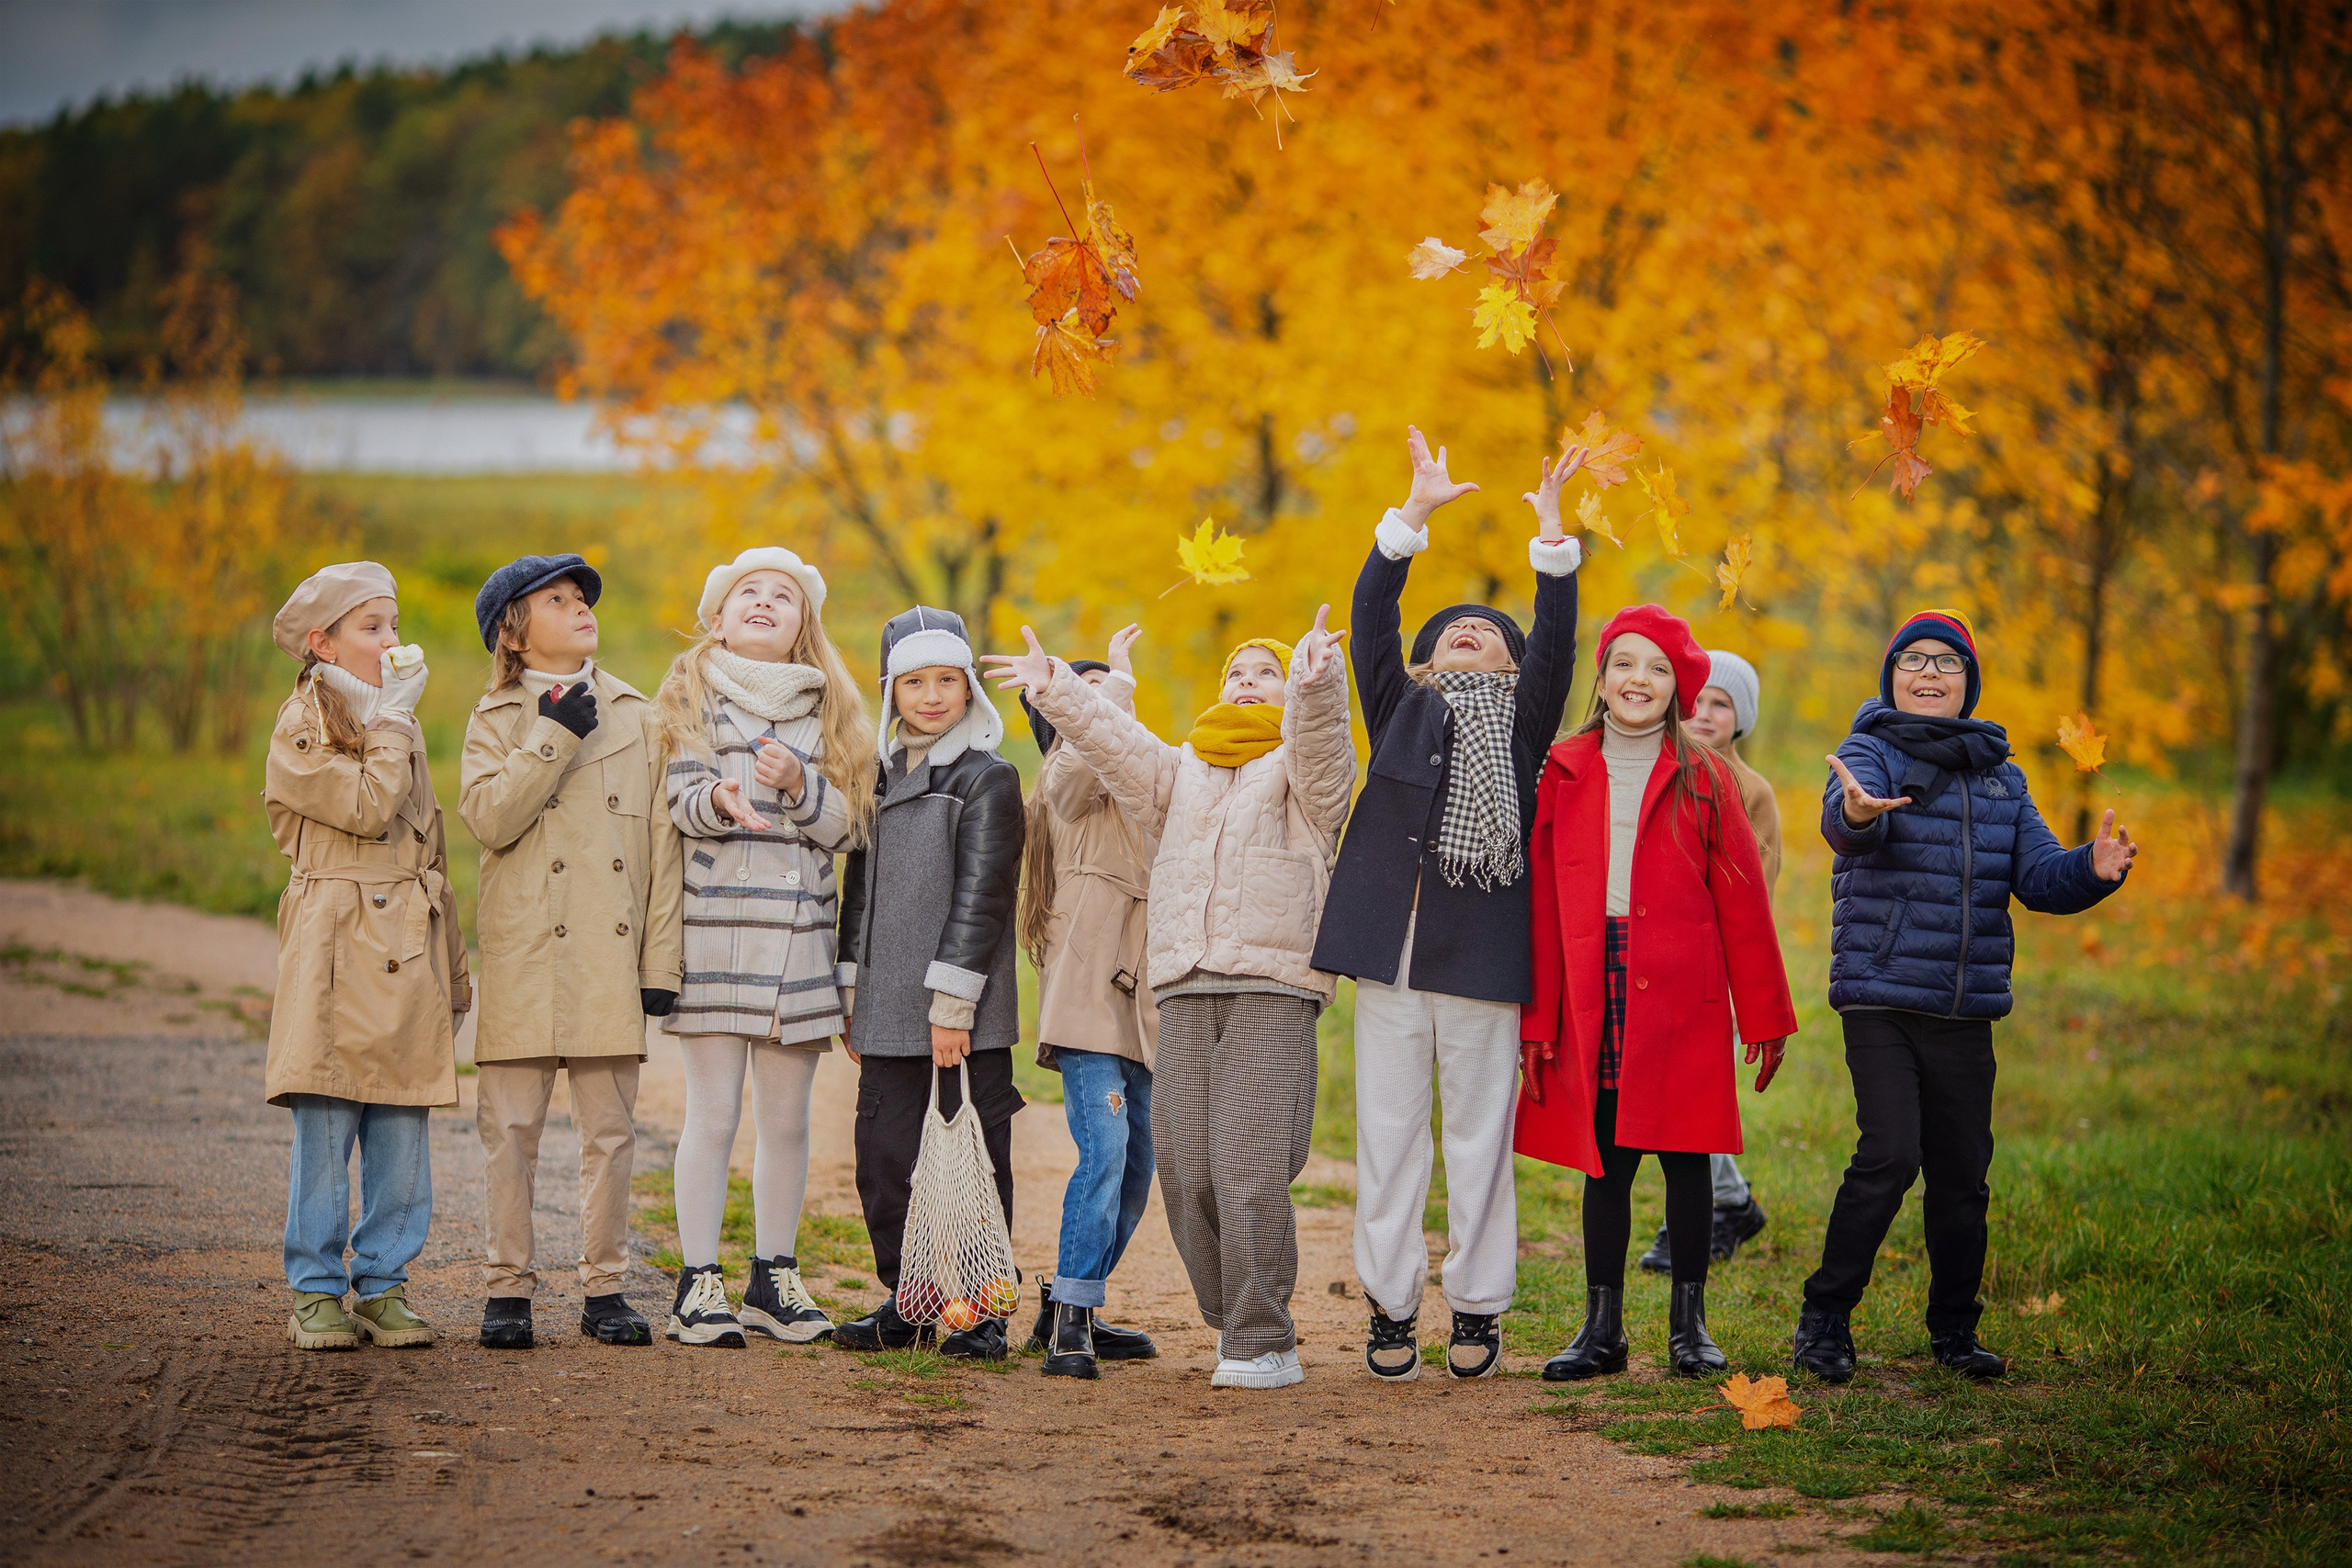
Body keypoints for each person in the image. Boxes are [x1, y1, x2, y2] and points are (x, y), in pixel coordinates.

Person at [987, 608, 1355, 1391]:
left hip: (1270, 985)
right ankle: (1238, 1318)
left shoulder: (1302, 773)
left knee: (1250, 1167)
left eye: (1267, 669)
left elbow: (1325, 750)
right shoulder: (1181, 771)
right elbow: (1117, 748)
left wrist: (1318, 688)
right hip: (1183, 986)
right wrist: (1061, 690)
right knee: (1185, 1173)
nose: (1248, 680)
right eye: (1237, 671)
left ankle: (1262, 1335)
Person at [1794, 610, 2138, 1383]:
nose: (1927, 672)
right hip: (1881, 993)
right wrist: (1853, 811)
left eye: (1946, 663)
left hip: (1964, 1006)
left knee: (1962, 1174)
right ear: (1891, 675)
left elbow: (2041, 875)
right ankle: (1825, 1318)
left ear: (1967, 684)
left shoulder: (1999, 776)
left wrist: (2094, 867)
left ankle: (1953, 1330)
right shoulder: (1868, 751)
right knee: (1891, 1153)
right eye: (1912, 659)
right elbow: (1850, 826)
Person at [1308, 426, 1584, 1382]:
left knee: (1477, 1140)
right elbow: (1372, 615)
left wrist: (1550, 538)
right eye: (1454, 628)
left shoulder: (1523, 724)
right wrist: (1411, 517)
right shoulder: (1399, 708)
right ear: (1427, 659)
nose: (1473, 630)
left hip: (1482, 957)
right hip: (1389, 956)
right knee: (1387, 1137)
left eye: (1491, 632)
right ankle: (1389, 1309)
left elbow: (1555, 637)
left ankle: (1475, 1306)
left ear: (1511, 665)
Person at [1516, 605, 1798, 1380]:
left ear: (1679, 687)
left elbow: (1743, 900)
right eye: (1625, 664)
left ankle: (1688, 1325)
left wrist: (1766, 1011)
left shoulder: (1705, 776)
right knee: (1605, 1156)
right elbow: (1540, 900)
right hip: (1592, 977)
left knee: (1684, 1153)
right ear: (1602, 678)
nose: (1639, 679)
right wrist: (1538, 1020)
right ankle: (1601, 1327)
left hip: (1683, 985)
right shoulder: (1565, 766)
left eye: (1659, 669)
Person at [459, 554, 684, 1350]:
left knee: (611, 1135)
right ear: (514, 636)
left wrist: (661, 967)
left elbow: (664, 849)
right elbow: (490, 819)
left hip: (607, 961)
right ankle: (507, 1289)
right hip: (525, 958)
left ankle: (606, 1288)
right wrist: (554, 733)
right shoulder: (493, 720)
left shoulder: (641, 713)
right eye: (556, 600)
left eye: (582, 595)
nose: (581, 605)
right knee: (511, 1131)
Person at [653, 547, 874, 1348]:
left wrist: (800, 788)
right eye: (749, 591)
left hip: (799, 946)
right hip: (715, 933)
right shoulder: (690, 696)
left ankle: (772, 1276)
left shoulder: (833, 713)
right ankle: (696, 1279)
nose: (765, 602)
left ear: (802, 629)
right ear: (719, 617)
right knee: (712, 1115)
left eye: (784, 596)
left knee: (786, 1121)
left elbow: (854, 828)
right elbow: (675, 800)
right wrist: (719, 796)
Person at [264, 562, 469, 1351]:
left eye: (394, 623)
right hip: (335, 940)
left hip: (406, 938)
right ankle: (314, 1288)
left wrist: (451, 967)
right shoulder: (304, 722)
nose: (392, 640)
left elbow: (431, 841)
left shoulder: (398, 721)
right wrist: (390, 722)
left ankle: (384, 1282)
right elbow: (362, 804)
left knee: (400, 1121)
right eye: (372, 627)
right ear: (323, 642)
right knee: (327, 1116)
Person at [832, 606, 1026, 1360]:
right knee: (883, 1157)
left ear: (970, 684)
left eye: (948, 678)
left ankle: (983, 1309)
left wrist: (954, 1007)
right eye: (915, 681)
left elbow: (982, 896)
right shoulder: (879, 778)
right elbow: (860, 891)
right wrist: (853, 990)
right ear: (891, 690)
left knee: (974, 1162)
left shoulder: (988, 776)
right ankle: (910, 1298)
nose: (933, 694)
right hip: (885, 1004)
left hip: (962, 1011)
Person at [1017, 625, 1162, 1379]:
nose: (1111, 711)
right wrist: (1112, 695)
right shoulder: (1058, 788)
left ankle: (1069, 1301)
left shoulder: (1146, 792)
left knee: (1138, 1167)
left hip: (1145, 1007)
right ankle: (1072, 1319)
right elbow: (1083, 764)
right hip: (1086, 1001)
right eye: (1088, 698)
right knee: (1103, 1150)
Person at [1637, 648, 1776, 1274]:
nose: (1704, 712)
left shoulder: (1751, 791)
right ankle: (1732, 1199)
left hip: (1714, 966)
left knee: (1693, 1091)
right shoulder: (1657, 769)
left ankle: (1688, 1216)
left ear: (1740, 718)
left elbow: (1756, 886)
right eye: (1697, 700)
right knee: (1667, 1082)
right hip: (1657, 960)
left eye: (1722, 704)